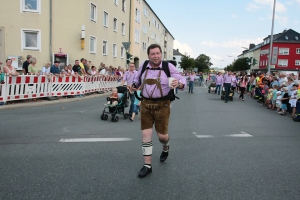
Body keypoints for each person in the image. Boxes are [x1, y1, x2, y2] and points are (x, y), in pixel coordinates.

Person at [131, 44, 186, 178]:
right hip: (145, 104)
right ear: (148, 55)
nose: (155, 56)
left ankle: (166, 146)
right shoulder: (144, 66)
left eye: (157, 53)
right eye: (152, 54)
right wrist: (133, 86)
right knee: (146, 134)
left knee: (162, 136)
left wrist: (178, 84)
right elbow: (136, 81)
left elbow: (181, 80)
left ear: (161, 54)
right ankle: (147, 165)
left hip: (163, 105)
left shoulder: (168, 67)